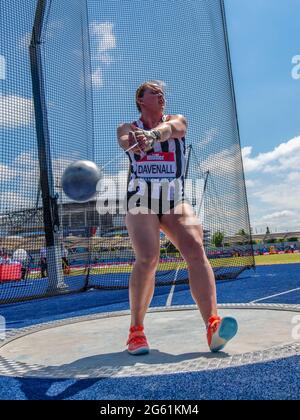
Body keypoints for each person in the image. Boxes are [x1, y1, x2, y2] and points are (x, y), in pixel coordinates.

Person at [117, 81, 238, 355]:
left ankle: (213, 325)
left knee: (196, 249)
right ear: (140, 99)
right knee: (148, 258)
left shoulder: (176, 120)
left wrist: (153, 136)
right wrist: (136, 141)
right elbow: (125, 141)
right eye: (154, 92)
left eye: (162, 93)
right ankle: (136, 332)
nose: (161, 95)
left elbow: (172, 129)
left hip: (174, 200)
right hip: (141, 200)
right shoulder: (127, 127)